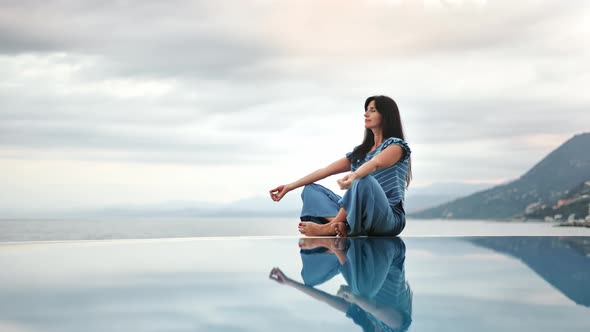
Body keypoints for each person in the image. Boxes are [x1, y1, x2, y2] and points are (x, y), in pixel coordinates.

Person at [269, 95, 412, 237]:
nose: (366, 114)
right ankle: (342, 225)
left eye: (372, 110)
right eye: (366, 109)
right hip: (360, 216)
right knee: (310, 190)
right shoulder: (360, 153)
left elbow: (376, 163)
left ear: (386, 115)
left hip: (388, 219)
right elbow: (326, 171)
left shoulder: (396, 146)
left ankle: (331, 227)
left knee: (363, 180)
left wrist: (354, 175)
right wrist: (289, 187)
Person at [269, 237, 413, 332]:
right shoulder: (398, 326)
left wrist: (289, 282)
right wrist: (354, 297)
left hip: (366, 259)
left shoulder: (368, 325)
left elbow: (326, 299)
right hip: (390, 253)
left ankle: (336, 243)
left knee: (311, 278)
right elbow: (375, 308)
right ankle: (338, 247)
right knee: (360, 292)